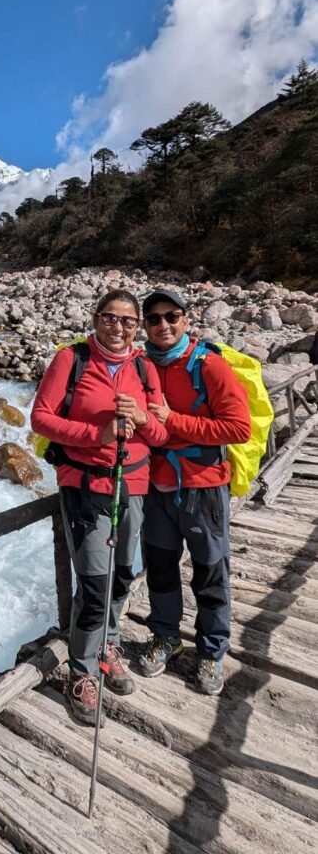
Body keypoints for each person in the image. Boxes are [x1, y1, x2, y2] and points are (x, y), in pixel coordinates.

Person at [31, 290, 169, 726]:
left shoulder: (145, 367)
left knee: (124, 573)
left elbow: (162, 436)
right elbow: (40, 418)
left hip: (133, 484)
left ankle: (107, 643)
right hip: (86, 487)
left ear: (137, 326)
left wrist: (146, 421)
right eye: (111, 318)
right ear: (95, 318)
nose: (119, 327)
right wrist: (100, 435)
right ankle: (82, 671)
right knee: (94, 582)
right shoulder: (70, 360)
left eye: (129, 321)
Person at [139, 289, 251, 695]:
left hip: (203, 486)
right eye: (154, 318)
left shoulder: (210, 366)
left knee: (210, 571)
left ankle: (211, 650)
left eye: (171, 316)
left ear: (186, 319)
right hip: (155, 487)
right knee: (163, 568)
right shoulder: (139, 366)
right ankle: (166, 635)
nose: (163, 325)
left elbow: (239, 429)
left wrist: (175, 421)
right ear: (145, 326)